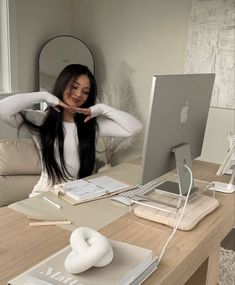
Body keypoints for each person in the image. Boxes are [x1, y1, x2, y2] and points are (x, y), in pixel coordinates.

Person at [0, 64, 143, 197]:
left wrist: (102, 108)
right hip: (45, 194)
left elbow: (135, 127)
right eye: (74, 87)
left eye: (85, 91)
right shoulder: (41, 120)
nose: (79, 94)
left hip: (80, 195)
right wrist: (44, 96)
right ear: (62, 85)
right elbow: (2, 109)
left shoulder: (91, 125)